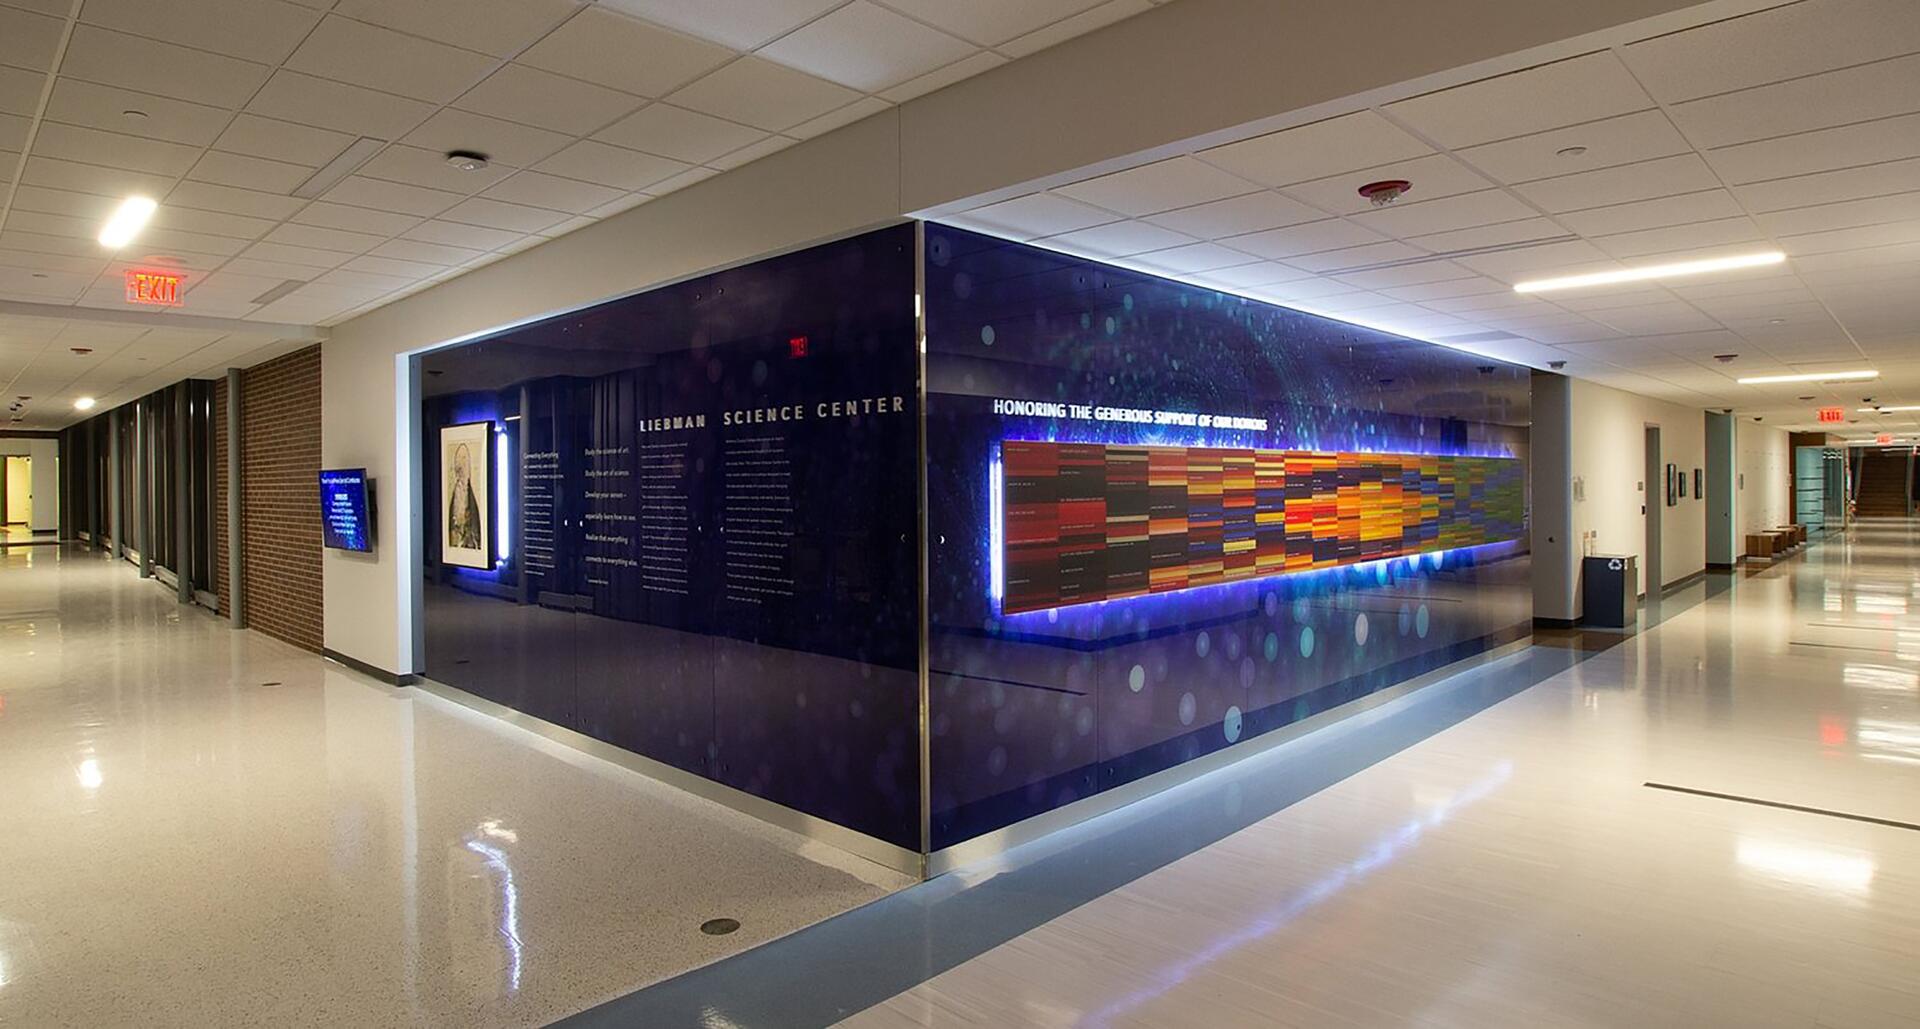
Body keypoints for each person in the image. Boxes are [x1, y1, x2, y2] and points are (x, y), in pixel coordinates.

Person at [448, 443, 483, 550]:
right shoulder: (455, 494)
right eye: (459, 462)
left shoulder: (471, 496)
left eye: (464, 461)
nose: (461, 466)